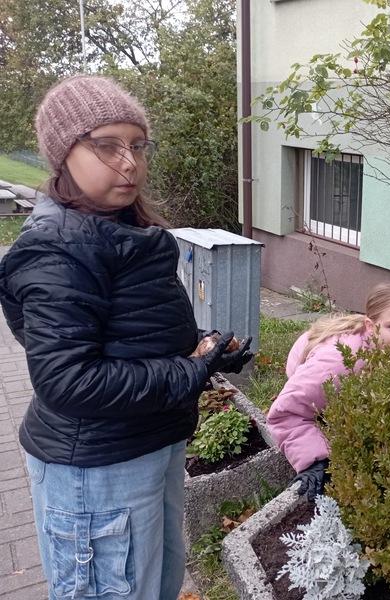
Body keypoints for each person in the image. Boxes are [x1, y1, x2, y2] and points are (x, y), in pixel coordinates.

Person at [0, 75, 253, 600]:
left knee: (157, 586)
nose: (129, 162)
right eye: (107, 146)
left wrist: (204, 349)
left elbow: (134, 332)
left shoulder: (122, 230)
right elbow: (68, 381)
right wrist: (188, 371)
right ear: (63, 154)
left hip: (149, 443)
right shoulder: (56, 249)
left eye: (137, 146)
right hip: (96, 471)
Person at [267, 282, 390, 500]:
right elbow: (284, 413)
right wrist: (316, 460)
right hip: (310, 375)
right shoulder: (339, 366)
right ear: (371, 326)